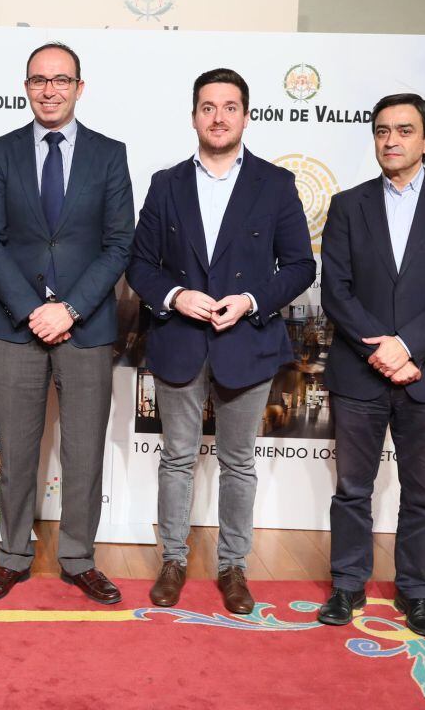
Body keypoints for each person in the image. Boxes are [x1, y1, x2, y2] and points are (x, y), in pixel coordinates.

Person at [126, 68, 314, 611]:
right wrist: (176, 296)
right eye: (208, 107)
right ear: (193, 117)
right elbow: (140, 263)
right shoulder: (167, 183)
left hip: (246, 343)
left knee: (239, 463)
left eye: (230, 106)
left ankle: (233, 567)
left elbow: (300, 264)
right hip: (180, 341)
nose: (218, 117)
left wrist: (252, 299)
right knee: (177, 458)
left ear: (246, 116)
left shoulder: (275, 184)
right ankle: (173, 560)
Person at [317, 93, 425, 637]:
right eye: (382, 130)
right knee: (352, 491)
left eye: (404, 131)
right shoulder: (347, 205)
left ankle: (415, 592)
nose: (391, 140)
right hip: (359, 373)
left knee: (421, 495)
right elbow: (335, 291)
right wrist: (379, 351)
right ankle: (347, 585)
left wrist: (407, 347)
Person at [0, 42, 134, 604]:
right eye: (39, 79)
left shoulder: (110, 155)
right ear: (26, 87)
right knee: (16, 449)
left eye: (61, 79)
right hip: (15, 325)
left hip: (85, 326)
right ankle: (14, 556)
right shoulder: (1, 151)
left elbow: (119, 245)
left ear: (79, 88)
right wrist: (30, 308)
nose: (49, 89)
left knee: (84, 450)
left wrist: (69, 308)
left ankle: (78, 558)